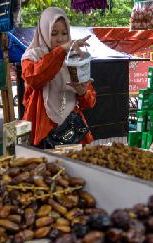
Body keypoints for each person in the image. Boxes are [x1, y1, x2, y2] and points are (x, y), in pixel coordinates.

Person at [21, 7, 96, 147]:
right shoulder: (32, 57)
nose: (60, 39)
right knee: (45, 167)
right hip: (42, 128)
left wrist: (82, 92)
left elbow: (90, 101)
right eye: (54, 33)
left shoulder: (75, 57)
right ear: (44, 32)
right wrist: (62, 50)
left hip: (72, 129)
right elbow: (35, 79)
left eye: (64, 33)